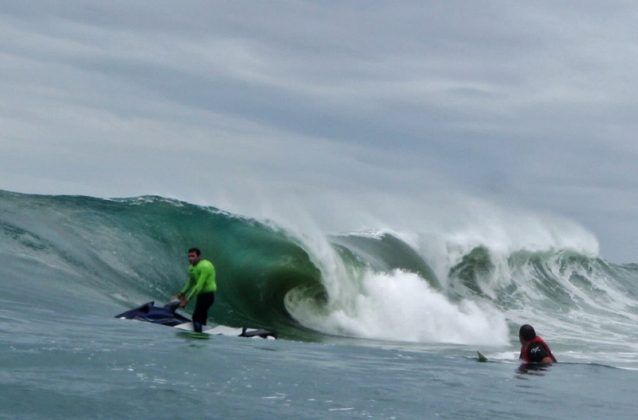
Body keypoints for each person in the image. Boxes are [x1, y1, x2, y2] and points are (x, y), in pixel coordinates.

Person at [174, 247, 217, 333]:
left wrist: (187, 299)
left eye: (193, 256)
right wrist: (182, 293)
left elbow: (199, 285)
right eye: (189, 256)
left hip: (208, 296)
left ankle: (197, 335)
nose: (190, 258)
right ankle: (202, 334)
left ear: (199, 256)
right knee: (201, 316)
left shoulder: (205, 266)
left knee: (196, 317)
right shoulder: (191, 267)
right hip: (201, 296)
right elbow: (190, 282)